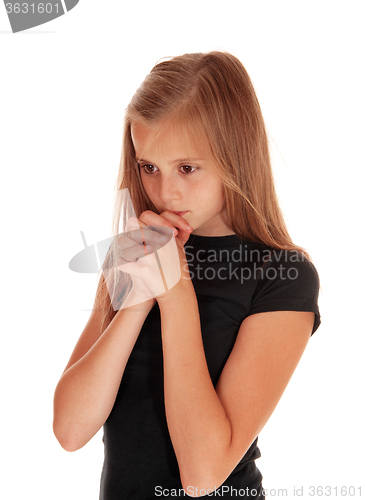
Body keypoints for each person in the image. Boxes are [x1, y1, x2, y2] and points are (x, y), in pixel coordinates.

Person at [53, 51, 321, 499]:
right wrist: (137, 299)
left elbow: (202, 475)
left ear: (235, 157)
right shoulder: (132, 252)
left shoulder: (283, 276)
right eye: (149, 167)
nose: (165, 191)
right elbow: (70, 431)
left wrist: (176, 293)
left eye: (188, 168)